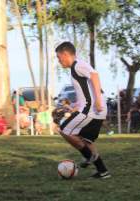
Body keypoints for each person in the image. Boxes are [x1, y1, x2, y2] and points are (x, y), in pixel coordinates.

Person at [55, 42, 110, 179]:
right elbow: (86, 91)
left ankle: (89, 156)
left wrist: (97, 99)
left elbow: (95, 76)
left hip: (91, 109)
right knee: (86, 140)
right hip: (94, 109)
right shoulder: (76, 67)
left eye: (58, 57)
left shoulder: (78, 64)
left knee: (64, 129)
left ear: (65, 54)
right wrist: (75, 105)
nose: (58, 60)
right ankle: (103, 171)